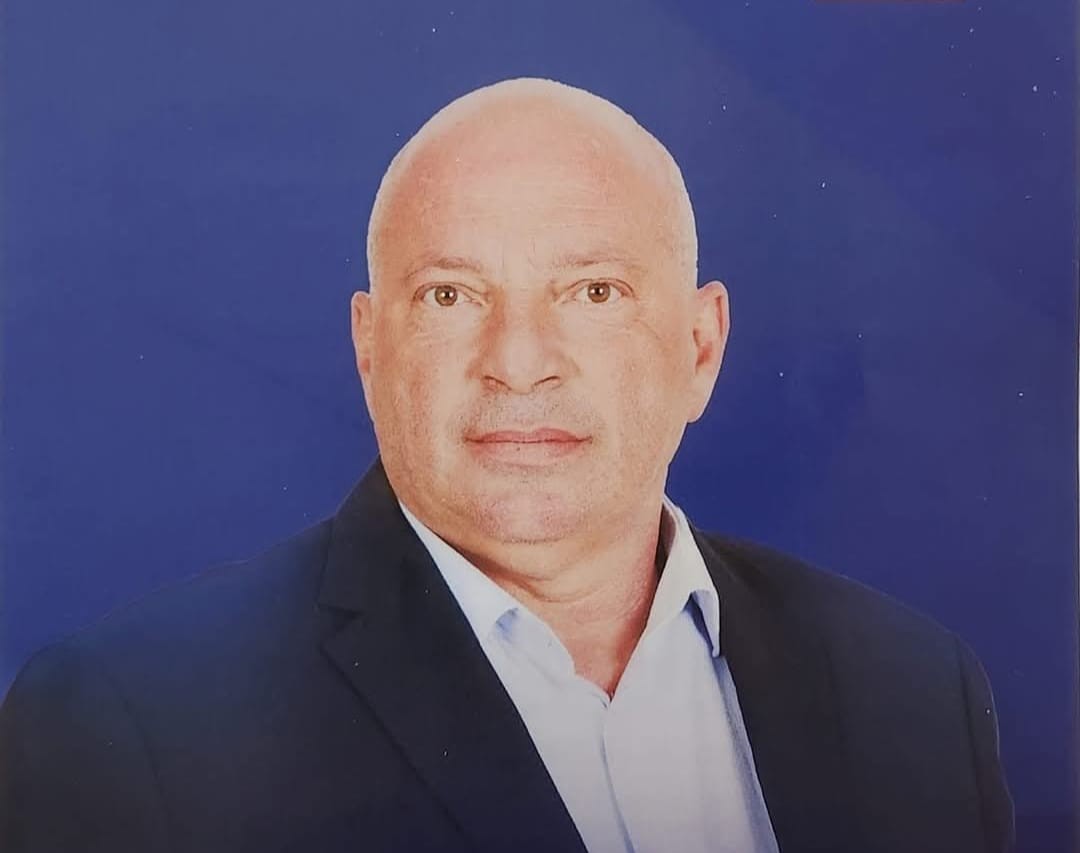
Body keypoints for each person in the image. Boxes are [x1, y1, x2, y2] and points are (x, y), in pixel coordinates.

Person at [0, 78, 1013, 853]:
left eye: (595, 292)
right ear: (370, 350)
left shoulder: (915, 693)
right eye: (450, 295)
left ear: (701, 348)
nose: (519, 362)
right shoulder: (133, 727)